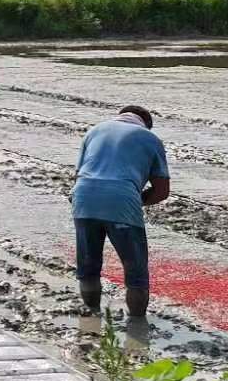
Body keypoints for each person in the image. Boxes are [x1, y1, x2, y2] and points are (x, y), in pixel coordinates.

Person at [71, 105, 170, 317]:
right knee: (136, 273)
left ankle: (91, 317)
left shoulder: (94, 130)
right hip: (123, 200)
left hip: (84, 197)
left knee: (88, 268)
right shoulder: (150, 139)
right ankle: (137, 329)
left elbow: (79, 173)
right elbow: (162, 191)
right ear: (146, 124)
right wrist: (137, 200)